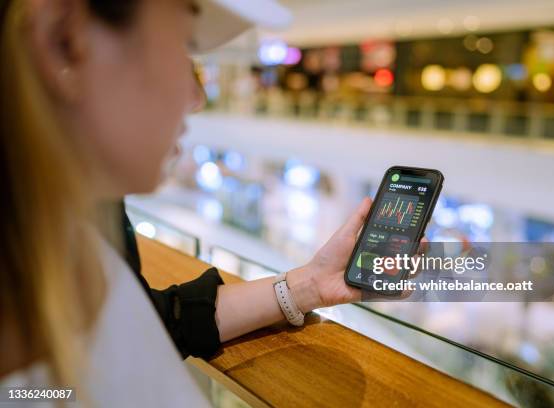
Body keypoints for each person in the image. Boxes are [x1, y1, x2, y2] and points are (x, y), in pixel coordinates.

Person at [0, 0, 385, 405]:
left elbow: (151, 324)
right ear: (63, 43)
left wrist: (307, 286)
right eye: (184, 45)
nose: (197, 96)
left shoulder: (66, 239)